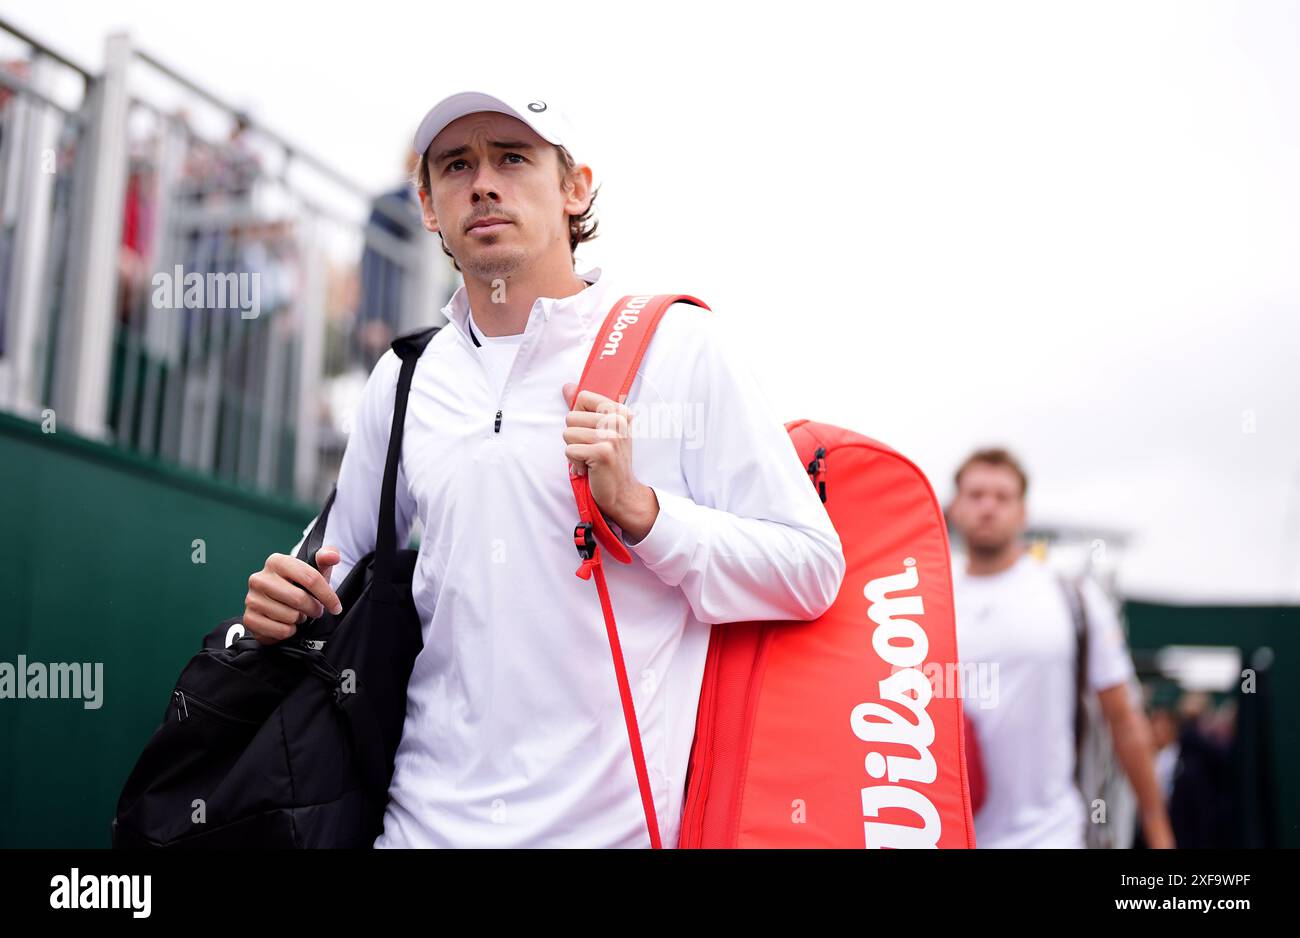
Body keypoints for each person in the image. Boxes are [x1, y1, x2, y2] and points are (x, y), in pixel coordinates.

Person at [240, 89, 846, 847]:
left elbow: (811, 568)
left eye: (513, 158)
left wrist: (642, 512)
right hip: (417, 827)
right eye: (457, 165)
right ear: (429, 207)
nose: (484, 183)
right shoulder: (404, 377)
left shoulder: (681, 345)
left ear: (575, 188)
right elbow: (330, 565)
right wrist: (279, 600)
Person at [947, 447, 1174, 848]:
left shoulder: (1072, 598)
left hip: (1048, 835)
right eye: (976, 495)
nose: (988, 507)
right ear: (953, 508)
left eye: (1002, 497)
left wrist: (1157, 828)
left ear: (1023, 513)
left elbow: (1123, 717)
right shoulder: (922, 601)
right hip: (944, 834)